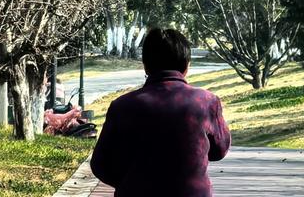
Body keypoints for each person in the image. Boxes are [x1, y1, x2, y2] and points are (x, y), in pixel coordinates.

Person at [90, 27, 231, 197]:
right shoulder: (206, 102)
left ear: (145, 66)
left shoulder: (122, 106)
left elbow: (100, 164)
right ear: (186, 66)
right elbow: (219, 151)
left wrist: (131, 182)